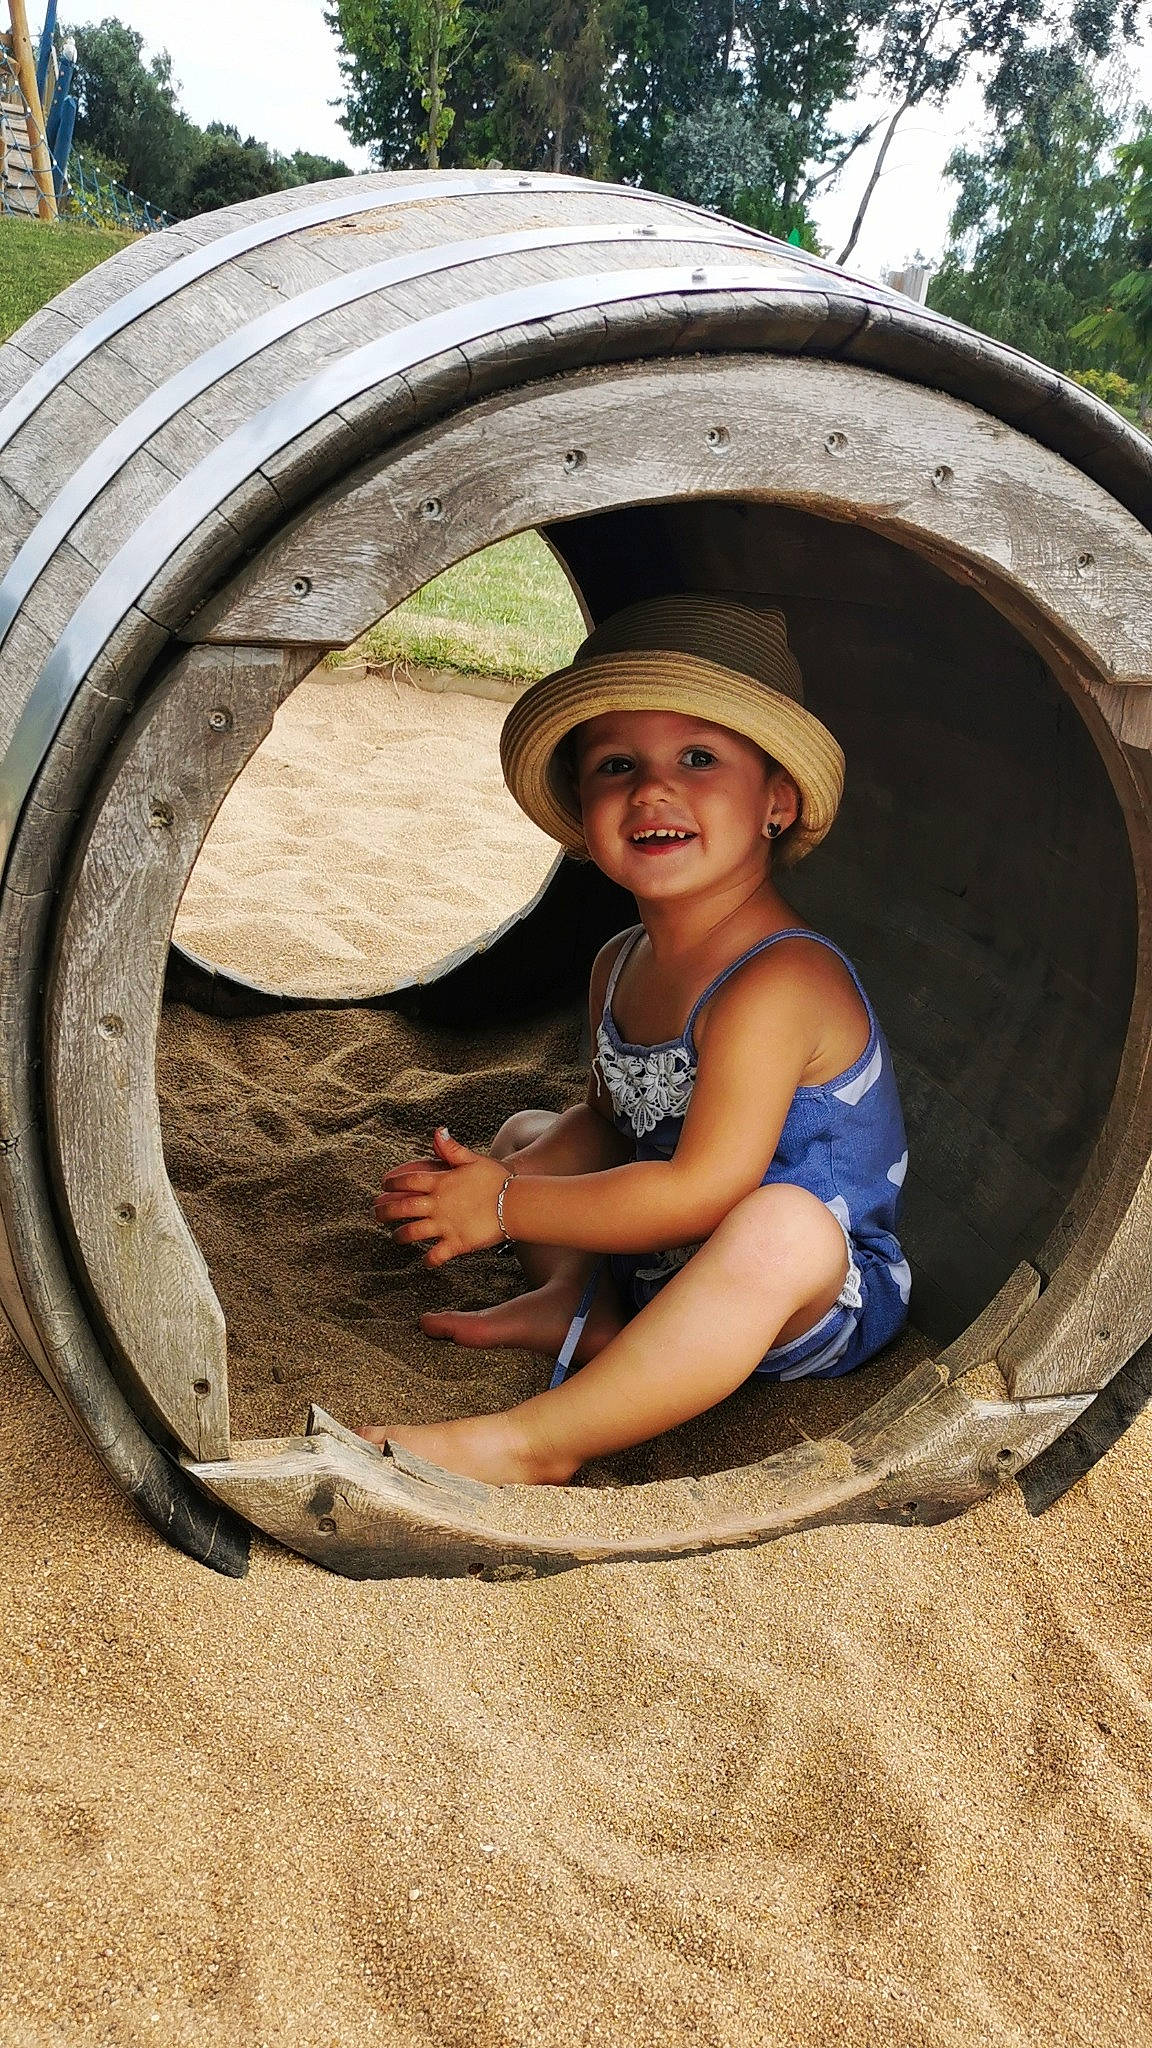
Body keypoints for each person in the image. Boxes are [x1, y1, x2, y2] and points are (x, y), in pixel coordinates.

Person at [360, 597, 910, 1485]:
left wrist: (504, 1210)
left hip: (800, 1301)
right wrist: (491, 1184)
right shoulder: (619, 961)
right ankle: (584, 1305)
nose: (653, 790)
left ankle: (539, 1440)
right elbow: (610, 1123)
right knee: (529, 1135)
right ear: (582, 812)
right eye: (616, 765)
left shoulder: (779, 983)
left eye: (700, 757)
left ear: (778, 800)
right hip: (666, 1262)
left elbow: (701, 1192)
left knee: (781, 1226)